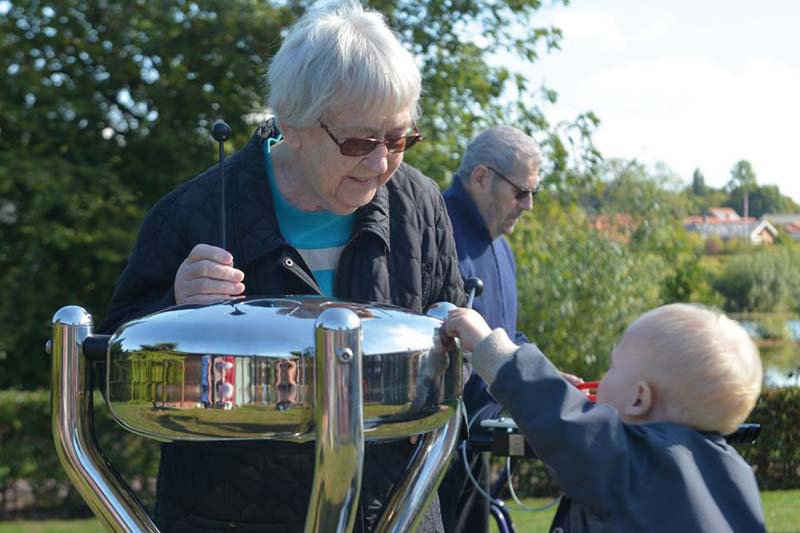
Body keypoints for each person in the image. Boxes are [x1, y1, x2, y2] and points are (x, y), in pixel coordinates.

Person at [98, 1, 465, 531]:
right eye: (360, 142)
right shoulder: (192, 214)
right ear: (291, 123)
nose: (381, 163)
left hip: (393, 513)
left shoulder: (422, 205)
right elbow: (110, 360)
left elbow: (455, 338)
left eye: (399, 139)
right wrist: (171, 309)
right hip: (230, 517)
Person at [442, 303, 766, 532]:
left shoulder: (637, 463)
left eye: (613, 368)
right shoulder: (735, 475)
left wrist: (490, 347)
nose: (604, 376)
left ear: (640, 398)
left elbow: (560, 418)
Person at [438, 126, 541, 533]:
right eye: (521, 192)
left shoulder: (500, 244)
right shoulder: (434, 231)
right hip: (431, 453)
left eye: (534, 192)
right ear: (481, 178)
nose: (529, 205)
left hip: (474, 451)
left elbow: (507, 337)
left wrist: (542, 375)